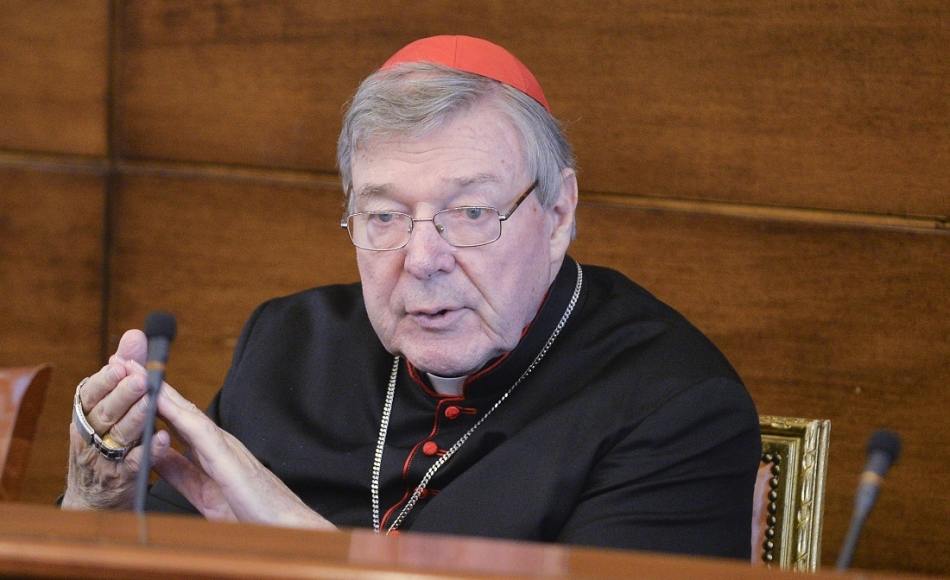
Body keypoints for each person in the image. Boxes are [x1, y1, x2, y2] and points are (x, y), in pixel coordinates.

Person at [62, 35, 760, 558]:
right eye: (385, 216)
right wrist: (94, 500)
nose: (422, 260)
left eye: (472, 213)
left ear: (557, 215)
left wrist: (299, 538)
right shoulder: (288, 346)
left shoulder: (675, 407)